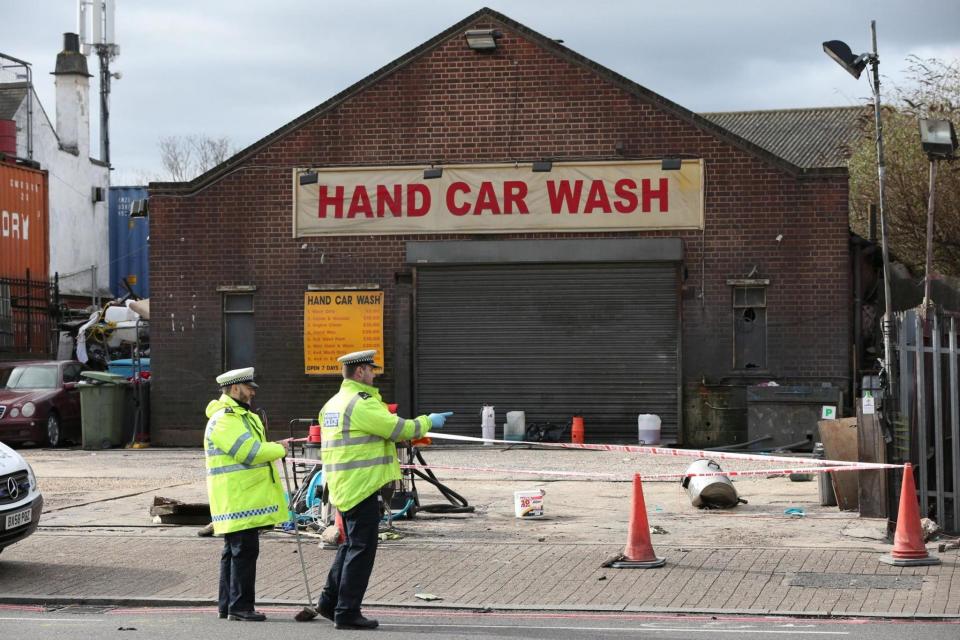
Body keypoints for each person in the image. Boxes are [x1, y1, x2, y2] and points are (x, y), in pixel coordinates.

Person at [317, 350, 452, 630]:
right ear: (359, 373)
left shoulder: (333, 402)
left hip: (343, 484)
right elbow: (397, 429)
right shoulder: (360, 403)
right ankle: (347, 612)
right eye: (370, 369)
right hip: (361, 485)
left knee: (350, 545)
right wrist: (428, 421)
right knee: (362, 548)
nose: (374, 373)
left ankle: (329, 602)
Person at [204, 367, 287, 622]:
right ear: (235, 388)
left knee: (234, 552)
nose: (253, 392)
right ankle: (240, 607)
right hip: (238, 498)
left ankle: (228, 605)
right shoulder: (226, 419)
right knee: (243, 552)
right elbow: (249, 453)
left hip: (240, 497)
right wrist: (278, 449)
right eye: (249, 387)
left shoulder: (239, 416)